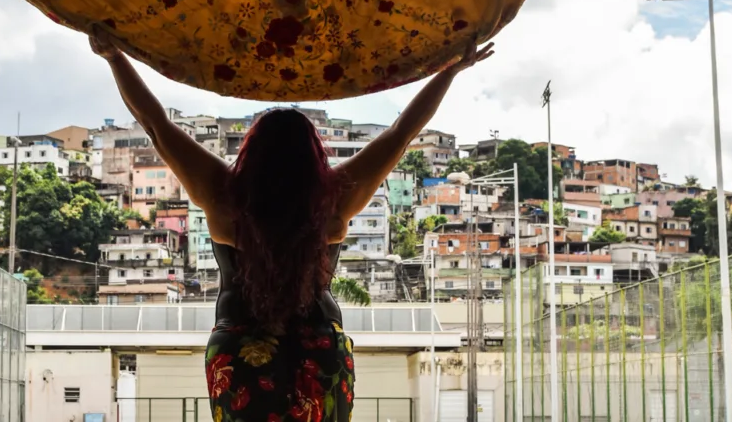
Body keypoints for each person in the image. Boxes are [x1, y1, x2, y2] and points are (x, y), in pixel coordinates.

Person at [90, 26, 494, 421]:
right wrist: (450, 71)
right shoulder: (335, 197)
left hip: (240, 348)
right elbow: (403, 132)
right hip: (319, 349)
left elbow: (157, 125)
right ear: (313, 155)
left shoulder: (223, 195)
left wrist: (114, 58)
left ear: (252, 152)